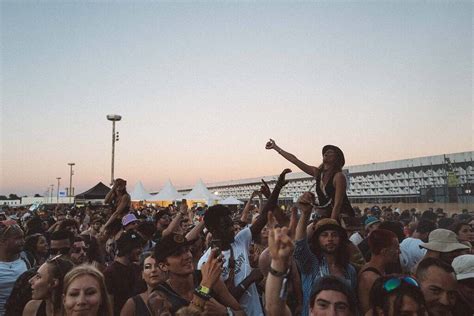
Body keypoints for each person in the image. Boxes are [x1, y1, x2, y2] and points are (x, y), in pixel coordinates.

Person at [198, 169, 291, 315]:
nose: (232, 229)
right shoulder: (207, 263)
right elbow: (220, 301)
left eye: (231, 224)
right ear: (212, 230)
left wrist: (277, 188)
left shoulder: (240, 239)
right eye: (226, 226)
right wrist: (250, 279)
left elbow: (264, 215)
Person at [264, 225, 356, 316]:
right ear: (311, 309)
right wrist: (278, 262)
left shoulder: (350, 270)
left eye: (340, 307)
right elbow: (274, 309)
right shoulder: (312, 264)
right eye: (323, 305)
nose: (332, 314)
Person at [294, 192, 357, 316]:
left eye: (334, 235)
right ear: (317, 240)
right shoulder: (311, 264)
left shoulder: (350, 270)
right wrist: (305, 214)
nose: (330, 239)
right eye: (324, 235)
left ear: (340, 239)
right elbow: (299, 245)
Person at [151, 233, 242, 314]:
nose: (187, 256)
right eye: (178, 254)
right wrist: (205, 286)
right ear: (163, 266)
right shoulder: (159, 296)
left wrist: (225, 312)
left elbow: (242, 312)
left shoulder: (207, 278)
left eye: (187, 250)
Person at [265, 139, 354, 219]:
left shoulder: (338, 176)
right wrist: (276, 148)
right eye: (325, 152)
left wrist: (331, 224)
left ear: (336, 159)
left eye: (331, 152)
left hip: (343, 215)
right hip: (326, 215)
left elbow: (338, 204)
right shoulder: (318, 173)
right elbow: (295, 160)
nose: (326, 153)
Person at [358, 229, 400, 314]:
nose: (399, 252)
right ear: (384, 251)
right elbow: (368, 311)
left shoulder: (379, 271)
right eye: (396, 248)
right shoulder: (369, 278)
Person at [104, 230, 144, 316]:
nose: (141, 250)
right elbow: (109, 306)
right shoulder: (110, 273)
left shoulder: (137, 269)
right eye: (138, 247)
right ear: (127, 248)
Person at [0, 220, 28, 315]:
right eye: (18, 238)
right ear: (3, 241)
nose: (23, 241)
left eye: (23, 237)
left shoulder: (27, 258)